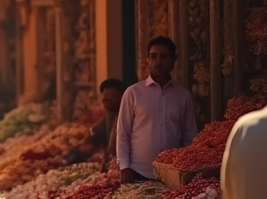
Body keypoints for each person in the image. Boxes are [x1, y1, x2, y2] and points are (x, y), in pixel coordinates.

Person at [117, 36, 197, 183]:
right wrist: (124, 167)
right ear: (148, 59)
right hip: (139, 172)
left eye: (164, 56)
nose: (158, 62)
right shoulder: (133, 93)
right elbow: (123, 132)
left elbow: (189, 135)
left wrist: (188, 168)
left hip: (173, 173)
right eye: (153, 56)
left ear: (174, 59)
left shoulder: (183, 95)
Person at [66, 78, 125, 169]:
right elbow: (96, 133)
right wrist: (86, 145)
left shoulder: (128, 115)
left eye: (113, 98)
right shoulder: (109, 116)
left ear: (123, 96)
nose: (109, 103)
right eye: (105, 100)